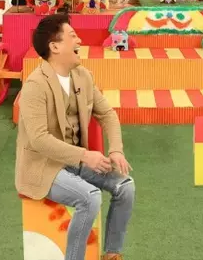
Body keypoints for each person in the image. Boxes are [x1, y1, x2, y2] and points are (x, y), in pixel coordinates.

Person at [16, 13, 135, 260]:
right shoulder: (35, 85)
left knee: (125, 186)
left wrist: (116, 149)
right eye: (72, 36)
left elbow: (108, 114)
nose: (79, 40)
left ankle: (112, 254)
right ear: (55, 47)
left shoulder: (83, 76)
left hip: (76, 163)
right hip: (42, 167)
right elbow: (39, 139)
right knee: (89, 197)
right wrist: (85, 155)